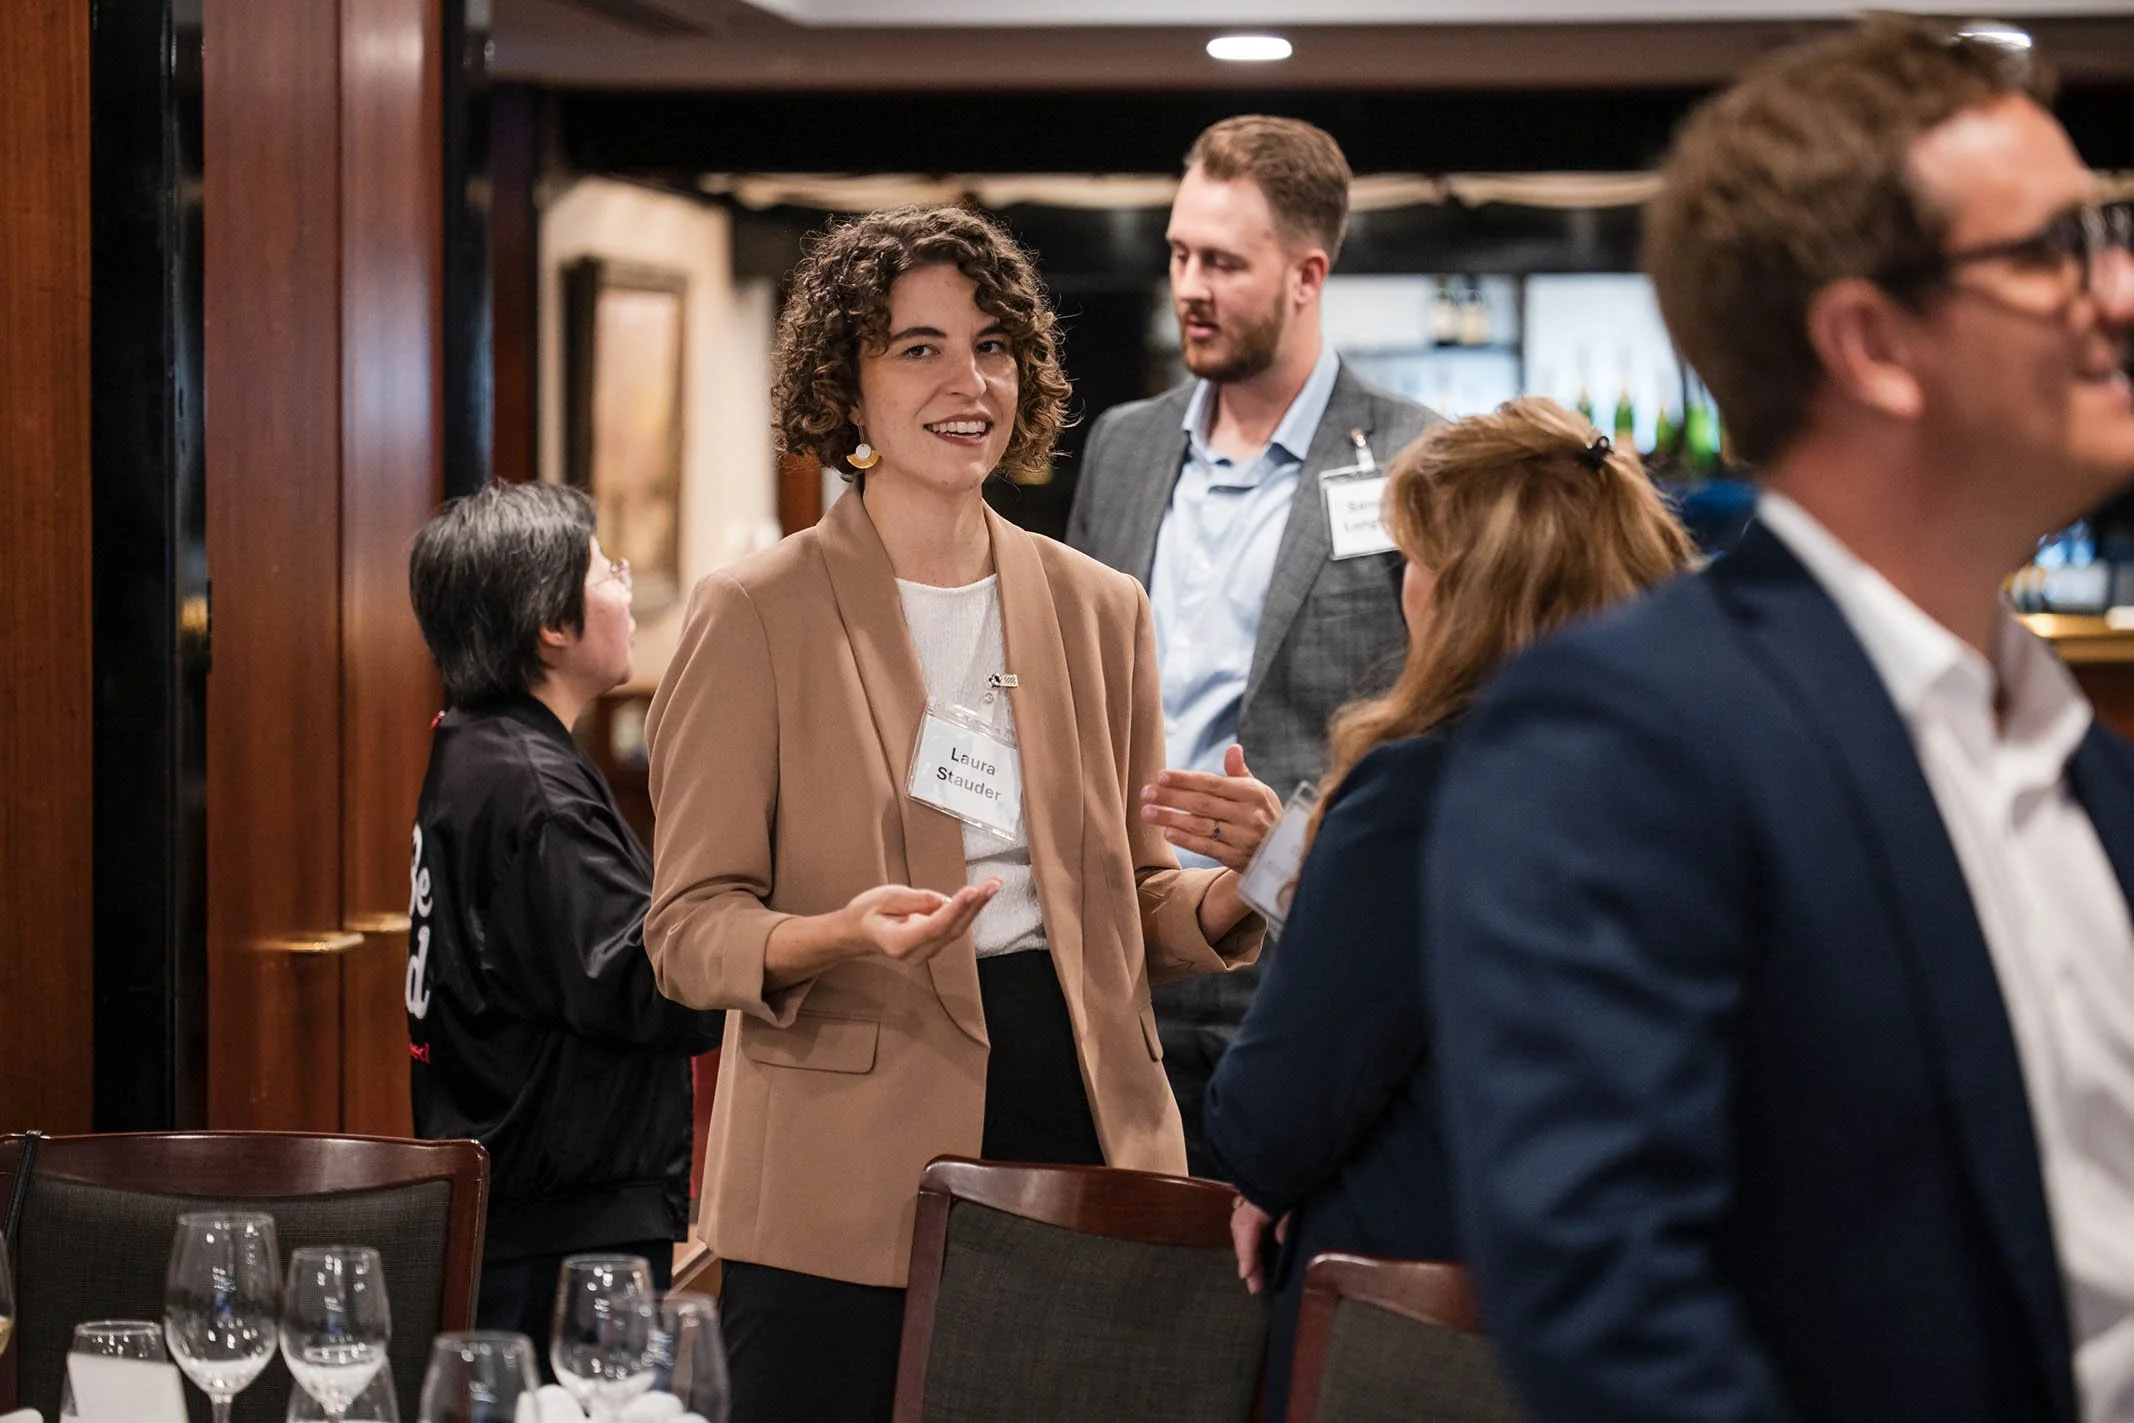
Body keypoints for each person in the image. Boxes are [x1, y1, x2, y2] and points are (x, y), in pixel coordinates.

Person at [1427, 17, 2134, 1423]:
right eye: (2058, 248)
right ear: (1871, 342)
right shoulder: (1622, 737)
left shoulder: (2069, 748)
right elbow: (1613, 1306)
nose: (2114, 291)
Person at [642, 204, 1271, 1423]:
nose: (968, 379)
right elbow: (687, 930)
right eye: (917, 347)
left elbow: (1129, 901)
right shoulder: (755, 611)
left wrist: (1233, 890)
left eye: (991, 345)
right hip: (841, 1159)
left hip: (1080, 1119)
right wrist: (829, 933)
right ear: (848, 385)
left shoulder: (1101, 608)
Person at [1201, 401, 1693, 1420]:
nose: (1404, 593)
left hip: (1418, 1331)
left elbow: (1272, 1114)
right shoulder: (1701, 778)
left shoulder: (1418, 796)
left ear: (1471, 595)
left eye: (1414, 562)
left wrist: (1264, 1173)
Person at [1067, 115, 1437, 1176]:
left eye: (1223, 262)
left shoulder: (1417, 457)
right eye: (1180, 253)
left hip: (1297, 955)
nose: (1189, 284)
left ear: (1307, 273)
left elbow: (1430, 711)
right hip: (1124, 948)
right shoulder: (1126, 446)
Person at [404, 481, 724, 1348]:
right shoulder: (535, 787)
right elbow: (657, 989)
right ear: (552, 624)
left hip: (515, 1189)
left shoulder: (475, 744)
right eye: (607, 573)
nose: (624, 589)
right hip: (563, 1219)